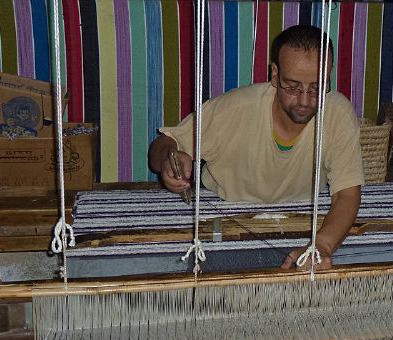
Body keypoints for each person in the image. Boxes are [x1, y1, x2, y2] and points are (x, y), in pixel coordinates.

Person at [149, 25, 364, 270]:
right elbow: (165, 144)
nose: (305, 100)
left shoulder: (337, 114)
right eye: (292, 87)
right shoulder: (236, 109)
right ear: (275, 75)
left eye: (316, 88)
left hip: (300, 223)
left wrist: (321, 247)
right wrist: (170, 158)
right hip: (223, 224)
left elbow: (347, 194)